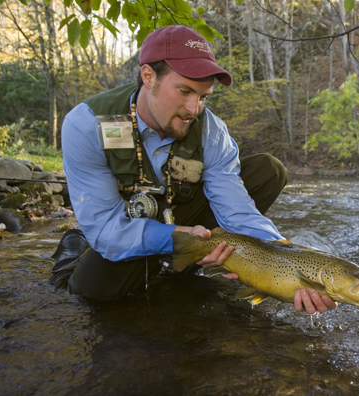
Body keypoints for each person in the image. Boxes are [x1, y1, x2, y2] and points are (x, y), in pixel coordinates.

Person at [50, 25, 337, 314]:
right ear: (148, 77)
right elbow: (106, 230)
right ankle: (73, 247)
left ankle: (186, 263)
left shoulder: (212, 131)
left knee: (267, 170)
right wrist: (178, 239)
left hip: (181, 215)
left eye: (203, 96)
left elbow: (235, 210)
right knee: (91, 293)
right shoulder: (87, 125)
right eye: (185, 91)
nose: (194, 108)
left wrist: (285, 256)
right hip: (124, 226)